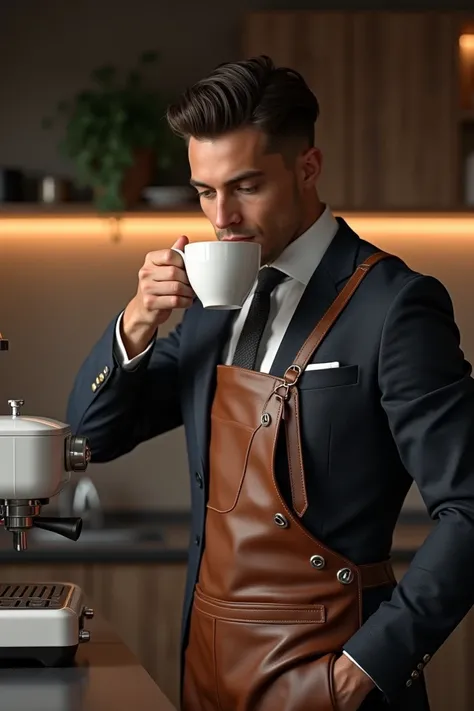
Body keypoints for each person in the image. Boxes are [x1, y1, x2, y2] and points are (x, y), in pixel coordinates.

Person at [66, 55, 474, 711]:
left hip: (331, 680)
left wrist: (362, 669)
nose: (221, 216)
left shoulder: (395, 306)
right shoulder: (209, 302)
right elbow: (92, 436)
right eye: (204, 191)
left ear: (307, 169)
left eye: (245, 186)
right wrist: (138, 319)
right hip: (207, 671)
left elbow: (470, 509)